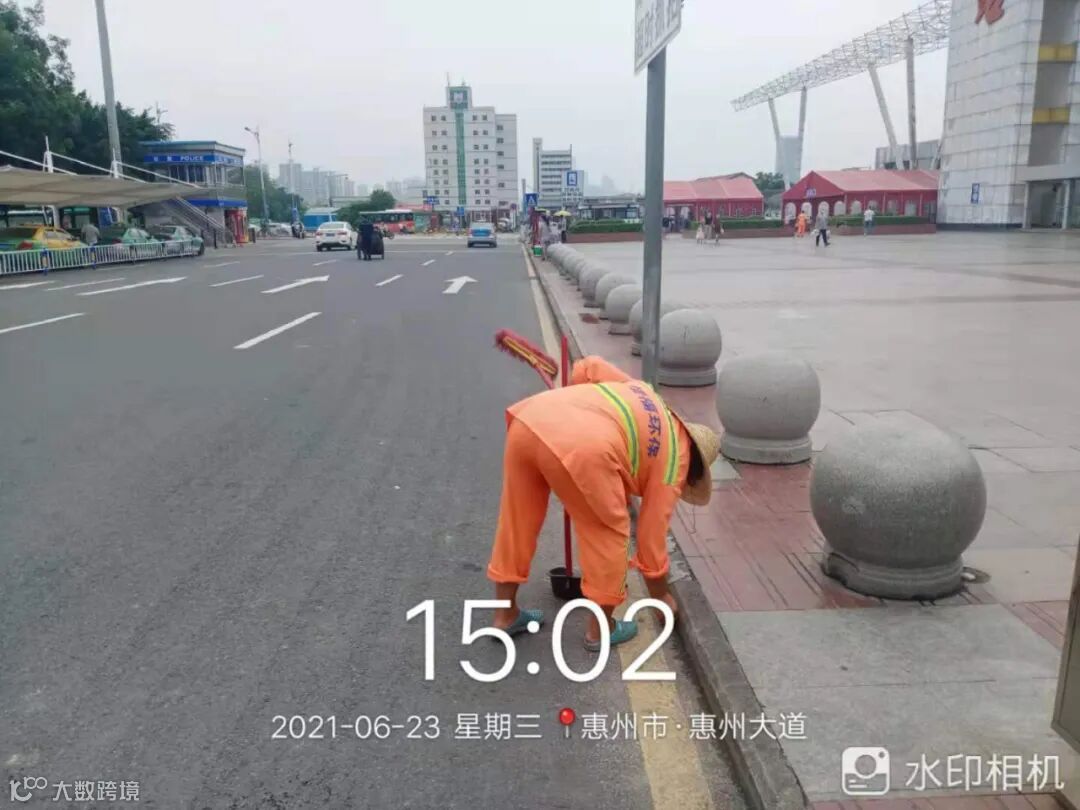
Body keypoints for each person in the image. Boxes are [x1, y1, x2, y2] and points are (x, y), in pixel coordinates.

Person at [486, 355, 721, 651]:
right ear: (694, 473)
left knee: (516, 521)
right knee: (609, 533)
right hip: (585, 448)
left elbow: (587, 367)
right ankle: (600, 629)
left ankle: (505, 615)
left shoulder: (645, 393)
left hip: (530, 420)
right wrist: (661, 597)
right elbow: (650, 543)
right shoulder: (675, 463)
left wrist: (573, 411)